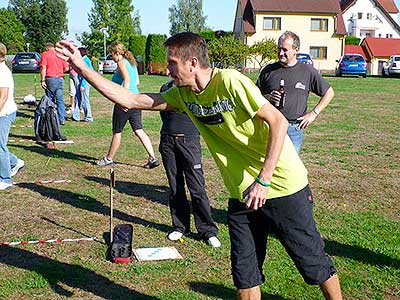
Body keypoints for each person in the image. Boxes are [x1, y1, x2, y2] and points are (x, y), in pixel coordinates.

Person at [57, 32, 343, 300]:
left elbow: (278, 121)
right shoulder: (183, 94)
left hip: (282, 186)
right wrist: (83, 68)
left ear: (192, 63)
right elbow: (131, 99)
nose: (167, 70)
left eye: (172, 63)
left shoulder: (230, 82)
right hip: (242, 192)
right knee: (245, 273)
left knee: (312, 262)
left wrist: (264, 179)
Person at [159, 79, 220, 247]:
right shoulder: (165, 87)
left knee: (197, 187)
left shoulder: (193, 89)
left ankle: (207, 230)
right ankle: (180, 226)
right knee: (175, 186)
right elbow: (164, 114)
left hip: (189, 141)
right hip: (167, 141)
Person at [256, 31, 334, 153]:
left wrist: (313, 114)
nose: (280, 53)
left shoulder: (307, 71)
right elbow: (255, 96)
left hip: (293, 129)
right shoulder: (268, 71)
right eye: (279, 49)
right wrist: (268, 97)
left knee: (289, 169)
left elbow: (329, 93)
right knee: (267, 165)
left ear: (296, 49)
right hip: (270, 126)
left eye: (285, 50)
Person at [96, 41, 159, 169]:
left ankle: (109, 159)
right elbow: (137, 81)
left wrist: (123, 99)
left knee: (117, 131)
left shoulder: (121, 62)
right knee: (139, 130)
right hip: (136, 100)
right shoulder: (131, 62)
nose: (112, 58)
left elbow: (128, 80)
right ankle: (153, 158)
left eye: (111, 54)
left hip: (125, 102)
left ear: (116, 53)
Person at [0, 42, 25, 190]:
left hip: (4, 113)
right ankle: (15, 162)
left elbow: (3, 97)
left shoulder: (2, 72)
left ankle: (5, 179)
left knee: (0, 146)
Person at [40, 42, 69, 125]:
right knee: (60, 100)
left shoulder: (45, 55)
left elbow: (43, 67)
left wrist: (42, 80)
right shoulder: (60, 55)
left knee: (50, 100)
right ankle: (61, 119)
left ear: (47, 48)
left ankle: (51, 118)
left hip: (50, 78)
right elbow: (66, 68)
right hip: (60, 78)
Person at [71, 47, 94, 122]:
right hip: (80, 82)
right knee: (77, 99)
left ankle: (88, 117)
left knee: (84, 100)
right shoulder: (82, 60)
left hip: (84, 83)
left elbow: (87, 74)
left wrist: (83, 85)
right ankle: (76, 116)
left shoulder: (86, 61)